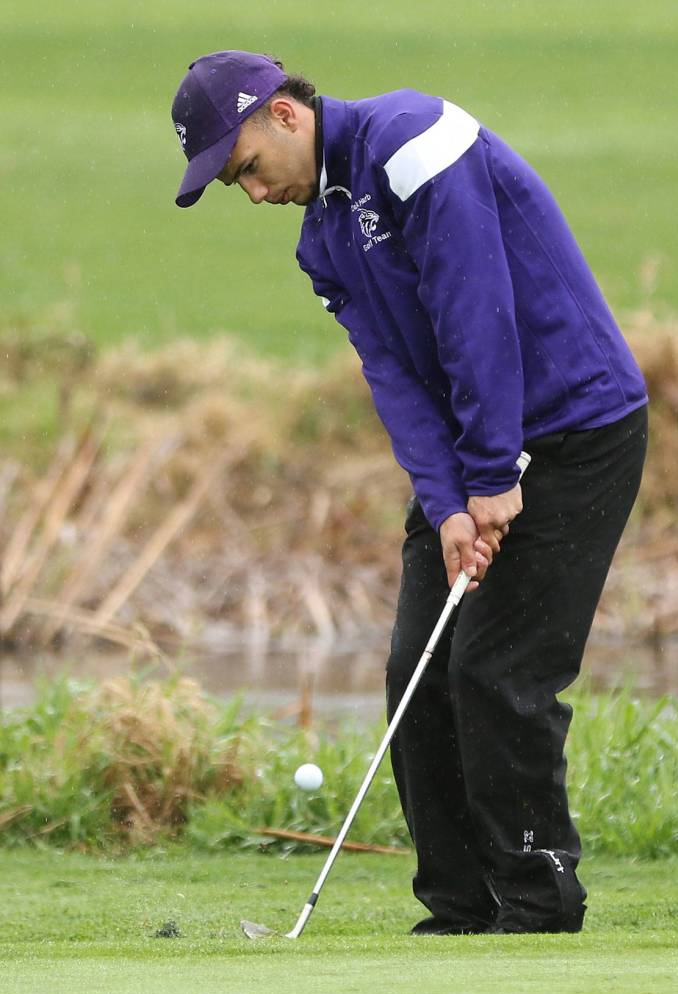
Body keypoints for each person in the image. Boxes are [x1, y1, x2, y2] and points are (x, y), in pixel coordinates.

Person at [171, 51, 648, 935]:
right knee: (416, 671)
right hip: (479, 451)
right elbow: (393, 374)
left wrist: (495, 473)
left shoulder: (413, 137)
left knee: (499, 671)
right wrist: (449, 501)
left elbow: (479, 309)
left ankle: (538, 899)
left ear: (283, 115)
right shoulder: (324, 239)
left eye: (244, 170)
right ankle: (459, 906)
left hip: (577, 429)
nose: (253, 195)